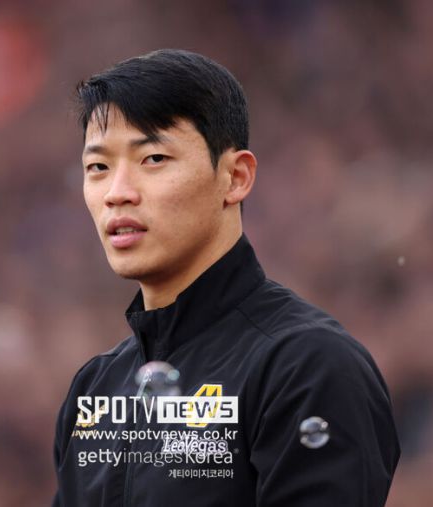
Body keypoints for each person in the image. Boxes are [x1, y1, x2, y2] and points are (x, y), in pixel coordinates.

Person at [51, 48, 400, 506]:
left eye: (153, 158)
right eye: (98, 167)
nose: (117, 193)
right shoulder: (95, 390)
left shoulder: (306, 365)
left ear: (235, 177)